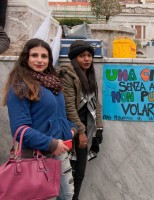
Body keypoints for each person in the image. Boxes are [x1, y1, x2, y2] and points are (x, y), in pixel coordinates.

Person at [3, 38, 76, 200]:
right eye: (34, 55)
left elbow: (59, 116)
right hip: (36, 157)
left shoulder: (53, 84)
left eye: (44, 56)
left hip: (59, 153)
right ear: (26, 58)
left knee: (67, 196)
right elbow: (20, 130)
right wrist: (51, 144)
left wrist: (71, 129)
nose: (39, 60)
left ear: (50, 59)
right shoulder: (20, 86)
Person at [57, 40, 103, 200]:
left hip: (86, 132)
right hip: (70, 132)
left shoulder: (89, 75)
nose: (87, 59)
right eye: (82, 56)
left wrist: (99, 128)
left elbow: (96, 103)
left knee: (79, 176)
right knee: (67, 178)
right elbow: (69, 107)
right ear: (74, 58)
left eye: (89, 55)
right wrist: (81, 132)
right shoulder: (67, 75)